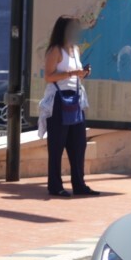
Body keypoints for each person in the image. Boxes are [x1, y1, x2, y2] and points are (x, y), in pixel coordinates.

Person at [40, 15, 98, 197]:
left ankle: (79, 183)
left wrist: (82, 73)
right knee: (57, 145)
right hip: (58, 100)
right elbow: (49, 76)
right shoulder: (55, 50)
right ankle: (55, 185)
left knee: (78, 144)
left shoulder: (75, 49)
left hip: (76, 99)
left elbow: (74, 75)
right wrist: (72, 72)